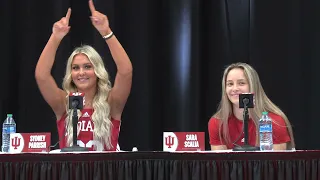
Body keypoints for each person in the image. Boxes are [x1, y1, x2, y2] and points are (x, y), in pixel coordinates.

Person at [35, 0, 132, 151]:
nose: (81, 73)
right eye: (75, 68)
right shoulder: (63, 102)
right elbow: (42, 76)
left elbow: (126, 72)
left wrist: (106, 32)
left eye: (87, 67)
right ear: (70, 73)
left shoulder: (111, 102)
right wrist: (56, 37)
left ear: (97, 71)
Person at [208, 62, 295, 150]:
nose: (234, 89)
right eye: (230, 84)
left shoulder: (274, 121)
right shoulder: (217, 122)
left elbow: (277, 162)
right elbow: (219, 163)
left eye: (241, 83)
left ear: (253, 86)